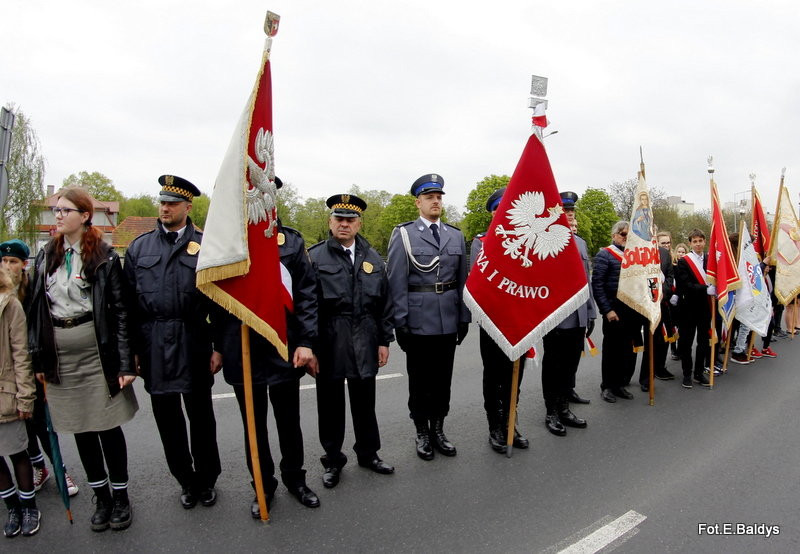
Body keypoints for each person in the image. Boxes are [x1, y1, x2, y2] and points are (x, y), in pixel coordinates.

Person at [27, 187, 138, 531]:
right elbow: (36, 312)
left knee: (106, 426)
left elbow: (121, 312)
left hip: (96, 351)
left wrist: (124, 363)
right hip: (59, 355)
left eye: (65, 210)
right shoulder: (47, 254)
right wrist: (39, 362)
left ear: (85, 216)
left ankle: (121, 497)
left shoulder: (103, 255)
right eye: (56, 210)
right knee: (80, 428)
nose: (58, 216)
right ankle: (101, 496)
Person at [217, 177, 321, 518]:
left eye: (265, 192)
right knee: (254, 426)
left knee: (289, 423)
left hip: (281, 347)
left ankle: (295, 480)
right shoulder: (226, 243)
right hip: (239, 348)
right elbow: (211, 301)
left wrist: (305, 342)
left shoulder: (289, 241)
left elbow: (306, 295)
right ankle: (262, 485)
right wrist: (216, 346)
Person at [123, 175, 221, 509]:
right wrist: (133, 351)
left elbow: (220, 304)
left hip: (193, 338)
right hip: (153, 342)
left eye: (172, 203)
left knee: (201, 417)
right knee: (168, 419)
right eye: (162, 202)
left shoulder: (206, 246)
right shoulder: (139, 247)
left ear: (188, 207)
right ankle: (186, 480)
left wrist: (218, 346)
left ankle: (207, 479)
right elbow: (128, 307)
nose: (165, 208)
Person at [308, 194, 395, 488]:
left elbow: (384, 304)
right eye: (339, 219)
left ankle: (369, 454)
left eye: (350, 220)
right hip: (329, 339)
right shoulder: (314, 256)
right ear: (330, 222)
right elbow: (307, 306)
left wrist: (384, 341)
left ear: (359, 224)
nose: (344, 224)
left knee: (364, 402)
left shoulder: (372, 257)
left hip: (365, 336)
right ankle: (333, 460)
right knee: (330, 404)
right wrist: (309, 345)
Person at [387, 174, 470, 460]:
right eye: (430, 197)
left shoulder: (455, 235)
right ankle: (422, 431)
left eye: (439, 197)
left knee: (442, 380)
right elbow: (396, 279)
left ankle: (439, 429)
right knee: (420, 381)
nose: (436, 201)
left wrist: (463, 317)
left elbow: (462, 281)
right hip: (418, 320)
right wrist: (401, 321)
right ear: (418, 202)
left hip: (448, 317)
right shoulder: (405, 234)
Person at [1, 239, 79, 497]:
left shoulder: (32, 289)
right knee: (20, 426)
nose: (7, 265)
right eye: (3, 261)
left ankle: (60, 468)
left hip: (31, 367)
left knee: (41, 422)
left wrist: (43, 362)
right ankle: (38, 467)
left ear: (24, 264)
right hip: (6, 374)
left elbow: (41, 326)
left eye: (12, 261)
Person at [469, 187, 528, 453]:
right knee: (494, 376)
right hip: (493, 322)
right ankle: (495, 425)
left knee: (517, 374)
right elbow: (480, 283)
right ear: (493, 214)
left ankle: (510, 422)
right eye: (498, 210)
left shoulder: (528, 241)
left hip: (521, 320)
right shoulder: (481, 242)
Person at [540, 191, 595, 435]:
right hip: (555, 315)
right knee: (553, 365)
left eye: (572, 212)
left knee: (570, 364)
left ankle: (564, 407)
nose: (570, 216)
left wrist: (591, 312)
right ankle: (551, 411)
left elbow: (587, 281)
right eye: (565, 212)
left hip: (579, 314)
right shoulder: (545, 239)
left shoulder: (581, 243)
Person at [0, 267, 40, 537]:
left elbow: (21, 353)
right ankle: (11, 506)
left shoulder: (9, 303)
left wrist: (25, 396)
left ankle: (28, 506)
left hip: (5, 392)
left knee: (16, 451)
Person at [591, 221, 643, 402]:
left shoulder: (634, 256)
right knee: (612, 351)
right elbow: (597, 285)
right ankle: (607, 386)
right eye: (622, 234)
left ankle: (620, 385)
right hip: (614, 311)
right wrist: (607, 310)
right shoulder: (604, 255)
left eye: (628, 235)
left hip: (631, 312)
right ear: (614, 235)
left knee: (626, 351)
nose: (625, 238)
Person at [637, 231, 676, 391]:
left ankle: (658, 368)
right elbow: (638, 278)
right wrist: (651, 296)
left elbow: (669, 277)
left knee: (662, 340)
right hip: (648, 304)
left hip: (663, 303)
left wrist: (662, 294)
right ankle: (645, 378)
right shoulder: (642, 254)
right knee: (650, 341)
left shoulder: (665, 255)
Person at [674, 229, 713, 388]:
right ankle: (686, 373)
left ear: (704, 242)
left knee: (704, 341)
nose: (698, 244)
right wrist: (705, 289)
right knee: (686, 342)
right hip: (688, 308)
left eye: (700, 241)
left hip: (705, 308)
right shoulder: (684, 261)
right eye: (694, 241)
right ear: (690, 243)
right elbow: (685, 286)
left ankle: (698, 373)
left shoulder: (710, 260)